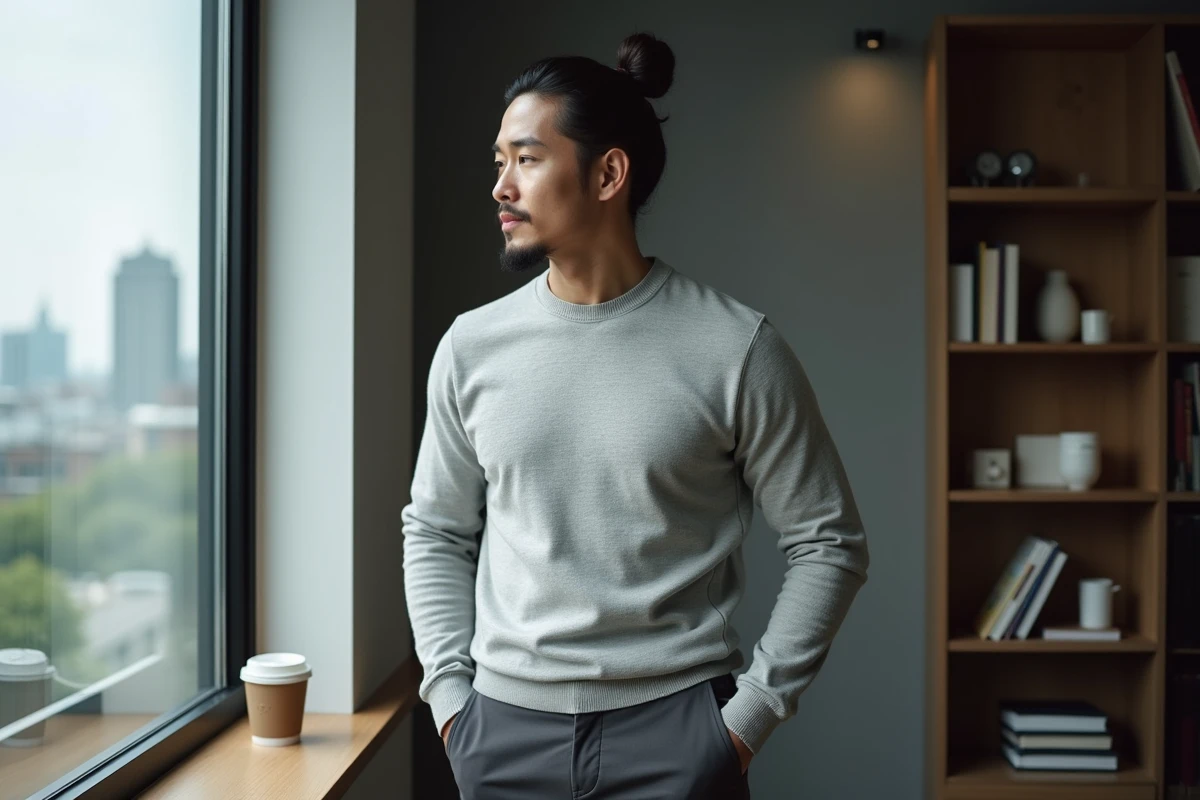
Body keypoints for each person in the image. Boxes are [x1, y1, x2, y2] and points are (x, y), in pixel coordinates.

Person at [401, 31, 869, 800]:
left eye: (526, 158)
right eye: (498, 162)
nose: (500, 187)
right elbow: (435, 530)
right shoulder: (471, 348)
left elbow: (830, 543)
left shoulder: (736, 346)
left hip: (682, 735)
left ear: (608, 172)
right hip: (502, 736)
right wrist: (453, 705)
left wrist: (744, 725)